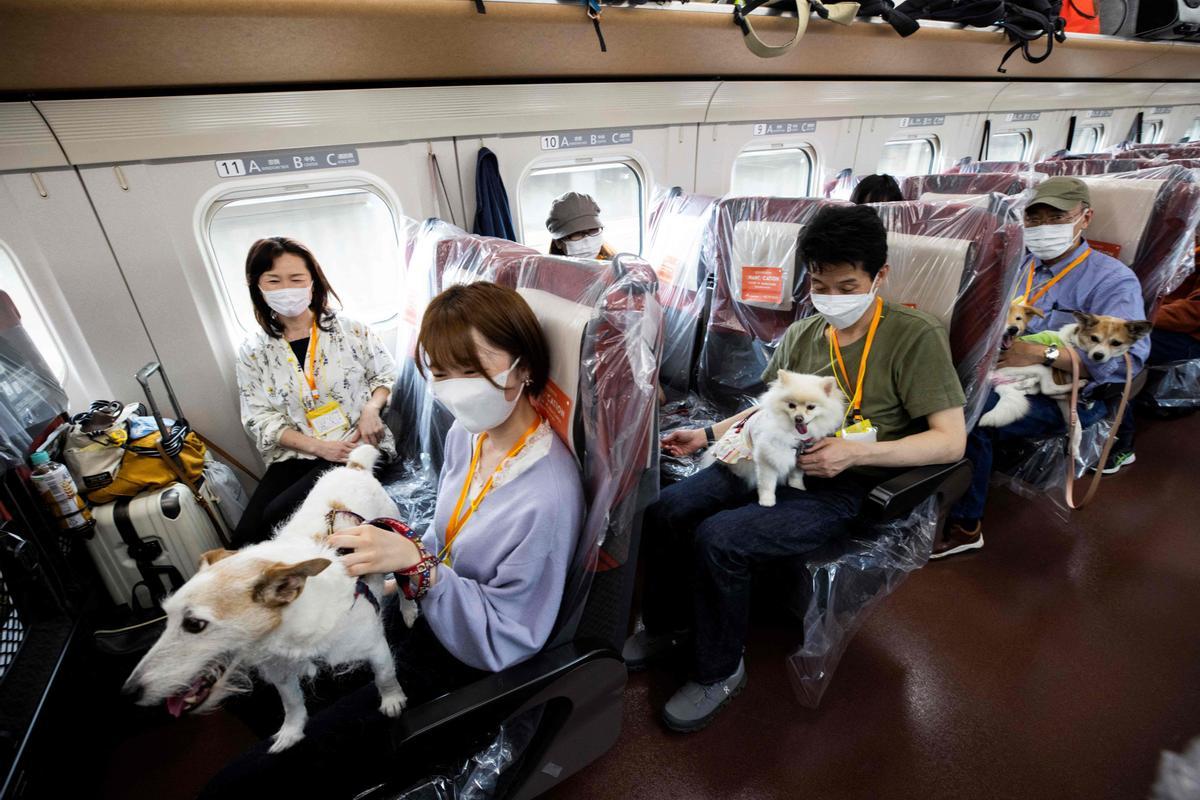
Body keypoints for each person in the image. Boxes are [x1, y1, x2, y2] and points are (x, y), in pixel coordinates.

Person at [203, 281, 585, 798]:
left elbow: (511, 637)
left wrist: (422, 572)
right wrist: (392, 568)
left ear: (523, 367)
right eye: (442, 373)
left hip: (463, 658)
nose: (453, 388)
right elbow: (443, 536)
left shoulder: (549, 495)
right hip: (422, 609)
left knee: (238, 788)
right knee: (256, 687)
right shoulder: (468, 435)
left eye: (471, 370)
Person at [623, 205, 966, 732]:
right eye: (820, 283)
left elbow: (949, 441)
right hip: (774, 454)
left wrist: (856, 453)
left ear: (880, 276)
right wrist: (710, 434)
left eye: (847, 284)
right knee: (669, 508)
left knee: (721, 538)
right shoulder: (807, 332)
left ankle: (720, 669)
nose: (832, 296)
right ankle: (673, 626)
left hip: (843, 483)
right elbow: (770, 404)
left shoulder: (915, 336)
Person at [935, 177, 1151, 558]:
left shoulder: (1112, 279)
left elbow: (1130, 361)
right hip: (1001, 372)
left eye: (1056, 217)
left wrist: (1040, 355)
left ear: (1085, 218)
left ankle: (967, 525)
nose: (1043, 228)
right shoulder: (1015, 266)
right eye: (1034, 220)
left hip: (1064, 393)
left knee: (971, 415)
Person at [232, 236, 397, 547]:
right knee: (245, 539)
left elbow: (384, 374)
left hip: (355, 445)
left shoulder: (352, 330)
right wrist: (319, 448)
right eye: (274, 280)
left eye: (296, 279)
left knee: (278, 517)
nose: (286, 289)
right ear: (258, 286)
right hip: (298, 453)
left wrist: (371, 409)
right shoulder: (254, 350)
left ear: (313, 282)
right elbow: (258, 418)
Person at [545, 191, 617, 259]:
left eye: (593, 230)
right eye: (577, 233)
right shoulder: (545, 271)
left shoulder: (618, 266)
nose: (588, 241)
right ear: (558, 242)